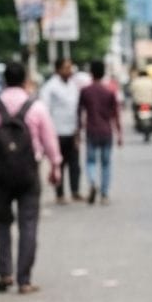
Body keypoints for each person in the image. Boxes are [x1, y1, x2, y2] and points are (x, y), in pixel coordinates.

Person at [0, 60, 60, 293]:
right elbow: (49, 140)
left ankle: (4, 274)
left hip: (0, 174)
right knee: (28, 223)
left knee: (2, 223)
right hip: (29, 172)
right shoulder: (36, 107)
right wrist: (56, 166)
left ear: (4, 81)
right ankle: (25, 279)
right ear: (25, 81)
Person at [77, 59, 120, 204]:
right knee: (106, 163)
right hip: (106, 131)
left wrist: (78, 132)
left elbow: (79, 113)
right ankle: (105, 194)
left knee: (90, 161)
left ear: (91, 73)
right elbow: (116, 115)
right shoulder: (109, 92)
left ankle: (93, 182)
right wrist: (119, 134)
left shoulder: (85, 91)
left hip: (91, 130)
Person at [41, 57, 83, 204]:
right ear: (58, 69)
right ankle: (59, 194)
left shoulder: (73, 85)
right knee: (59, 164)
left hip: (72, 130)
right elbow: (44, 111)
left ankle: (75, 191)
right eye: (66, 68)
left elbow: (77, 109)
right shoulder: (50, 87)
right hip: (56, 132)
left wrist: (78, 130)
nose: (69, 71)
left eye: (70, 68)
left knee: (75, 164)